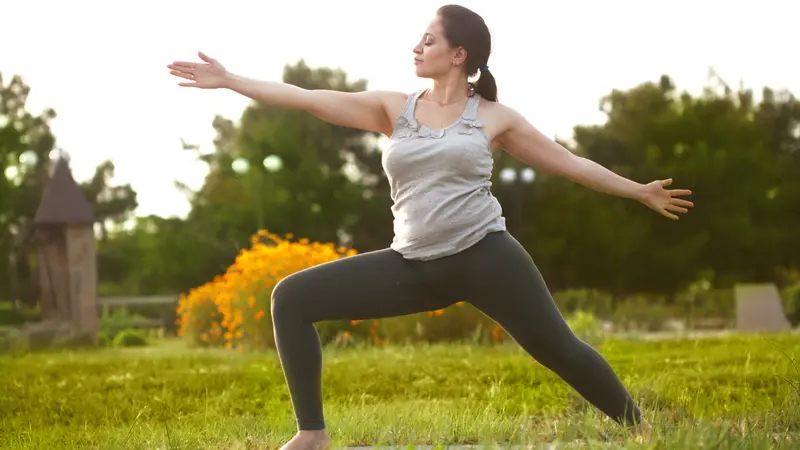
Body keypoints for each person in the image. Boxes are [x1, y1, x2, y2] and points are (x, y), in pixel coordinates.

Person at [168, 5, 692, 449]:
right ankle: (312, 435)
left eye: (428, 40)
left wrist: (638, 190)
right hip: (412, 264)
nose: (416, 48)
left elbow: (571, 163)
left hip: (487, 257)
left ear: (458, 54)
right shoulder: (393, 109)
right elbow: (307, 97)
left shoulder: (494, 118)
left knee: (559, 348)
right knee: (291, 298)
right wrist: (231, 81)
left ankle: (642, 431)